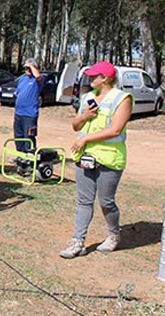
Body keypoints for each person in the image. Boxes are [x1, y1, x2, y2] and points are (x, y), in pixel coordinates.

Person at [60, 61, 133, 259]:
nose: (90, 79)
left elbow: (116, 129)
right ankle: (77, 241)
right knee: (84, 201)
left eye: (94, 76)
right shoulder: (87, 98)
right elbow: (75, 125)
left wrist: (85, 138)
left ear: (106, 78)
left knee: (106, 202)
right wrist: (84, 117)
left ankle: (113, 235)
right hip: (85, 156)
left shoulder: (122, 98)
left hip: (109, 158)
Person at [13, 58, 43, 153]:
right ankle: (20, 157)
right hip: (19, 113)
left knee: (29, 137)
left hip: (30, 115)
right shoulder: (22, 80)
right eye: (26, 68)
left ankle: (30, 159)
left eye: (30, 68)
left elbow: (37, 76)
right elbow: (17, 93)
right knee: (18, 137)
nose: (28, 70)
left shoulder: (37, 80)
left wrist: (31, 66)